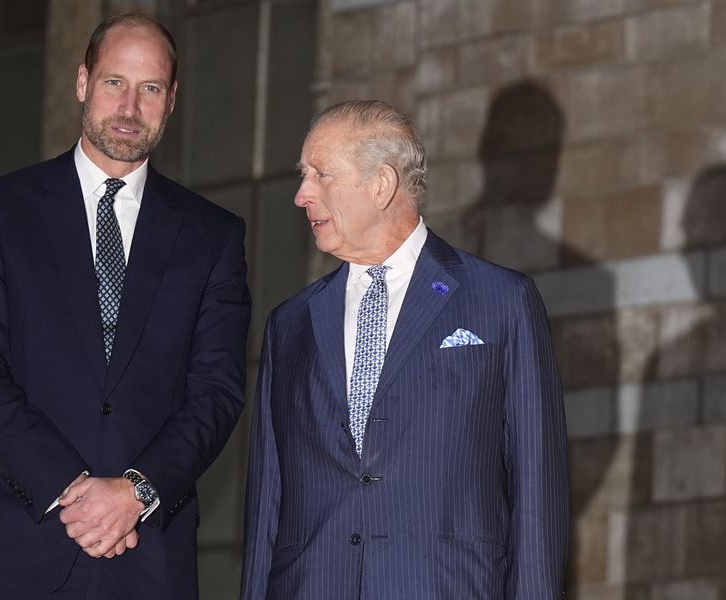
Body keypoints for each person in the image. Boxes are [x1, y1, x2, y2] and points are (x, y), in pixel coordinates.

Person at [0, 12, 250, 599]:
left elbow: (217, 392)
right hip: (16, 544)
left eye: (150, 88)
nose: (130, 108)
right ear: (82, 83)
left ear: (172, 99)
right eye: (114, 83)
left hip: (148, 553)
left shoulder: (214, 236)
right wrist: (72, 489)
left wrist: (135, 492)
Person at [241, 100, 569, 598]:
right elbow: (267, 504)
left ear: (382, 184)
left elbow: (537, 494)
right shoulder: (289, 325)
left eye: (320, 174)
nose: (302, 194)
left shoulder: (502, 301)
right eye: (303, 175)